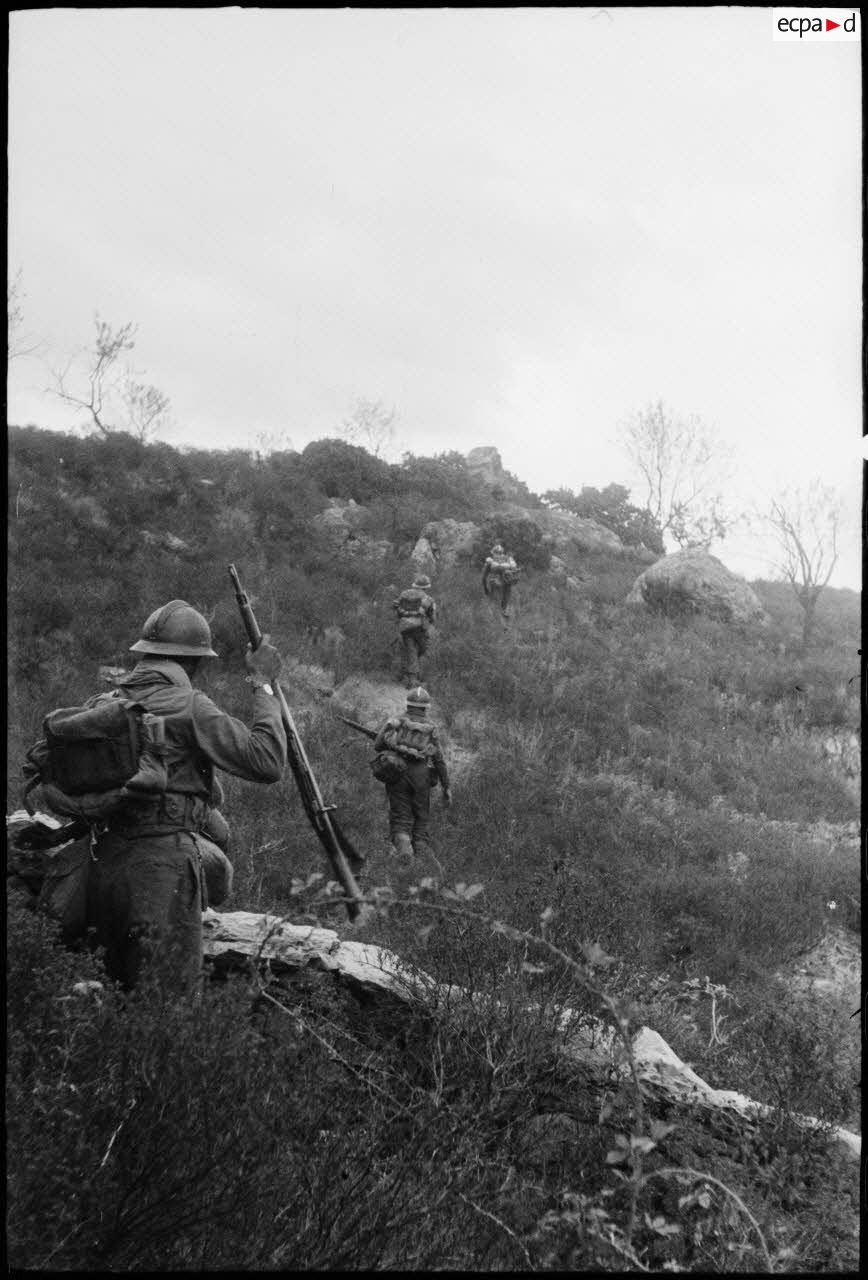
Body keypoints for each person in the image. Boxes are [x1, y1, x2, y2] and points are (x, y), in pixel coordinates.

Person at [29, 600, 287, 992]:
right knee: (167, 1010)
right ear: (196, 663)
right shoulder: (190, 705)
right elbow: (266, 761)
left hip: (98, 867)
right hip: (160, 873)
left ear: (145, 654)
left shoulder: (104, 704)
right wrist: (263, 684)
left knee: (109, 1002)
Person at [372, 686, 451, 859]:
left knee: (401, 821)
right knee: (421, 822)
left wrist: (389, 743)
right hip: (422, 777)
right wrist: (446, 787)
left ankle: (405, 854)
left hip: (398, 774)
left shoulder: (397, 721)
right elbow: (439, 760)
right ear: (426, 708)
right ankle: (424, 858)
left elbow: (377, 746)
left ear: (408, 704)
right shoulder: (431, 728)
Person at [392, 574, 436, 688]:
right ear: (426, 587)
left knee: (410, 650)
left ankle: (404, 674)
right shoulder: (428, 599)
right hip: (419, 628)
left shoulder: (403, 594)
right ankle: (412, 679)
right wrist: (429, 621)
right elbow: (432, 616)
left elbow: (397, 610)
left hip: (404, 628)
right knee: (422, 650)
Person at [482, 543, 520, 618]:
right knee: (507, 594)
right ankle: (504, 611)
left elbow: (484, 577)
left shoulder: (490, 561)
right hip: (506, 581)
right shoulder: (508, 559)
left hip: (494, 582)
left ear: (493, 552)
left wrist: (485, 588)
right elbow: (514, 569)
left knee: (493, 600)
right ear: (503, 552)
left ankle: (494, 616)